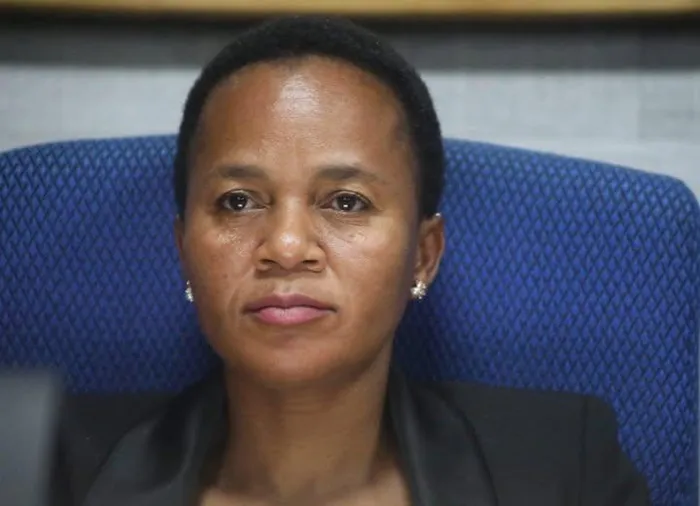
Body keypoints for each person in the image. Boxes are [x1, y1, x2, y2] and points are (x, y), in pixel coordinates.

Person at [55, 15, 650, 506]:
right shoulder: (51, 463)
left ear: (423, 256)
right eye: (238, 201)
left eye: (346, 201)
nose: (287, 247)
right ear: (184, 250)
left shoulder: (564, 468)